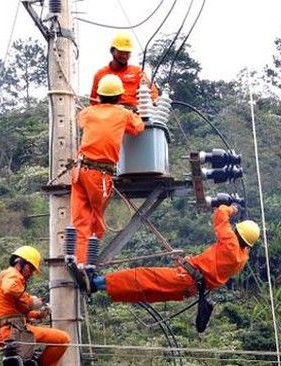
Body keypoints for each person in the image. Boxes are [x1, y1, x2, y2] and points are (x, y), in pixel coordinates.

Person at [88, 204, 260, 303]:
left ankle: (95, 282)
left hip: (185, 279)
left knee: (140, 277)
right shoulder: (242, 258)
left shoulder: (230, 243)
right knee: (144, 292)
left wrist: (233, 208)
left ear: (238, 233)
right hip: (189, 288)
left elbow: (220, 215)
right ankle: (98, 287)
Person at [72, 74, 145, 264]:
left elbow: (80, 120)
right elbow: (138, 127)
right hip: (100, 176)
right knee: (96, 223)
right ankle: (88, 262)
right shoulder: (123, 114)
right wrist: (134, 111)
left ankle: (79, 262)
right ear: (119, 96)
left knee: (81, 222)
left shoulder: (88, 112)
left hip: (79, 172)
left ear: (100, 95)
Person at [0, 246, 70, 366]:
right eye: (31, 268)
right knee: (62, 339)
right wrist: (31, 300)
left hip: (14, 330)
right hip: (13, 331)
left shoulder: (17, 283)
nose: (31, 273)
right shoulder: (11, 274)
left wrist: (39, 314)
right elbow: (9, 289)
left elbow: (23, 312)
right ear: (20, 263)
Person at [89, 32, 158, 109]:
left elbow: (153, 94)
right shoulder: (100, 74)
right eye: (121, 52)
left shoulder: (138, 72)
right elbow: (93, 101)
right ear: (112, 51)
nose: (125, 56)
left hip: (133, 113)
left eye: (127, 52)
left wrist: (153, 104)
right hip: (109, 113)